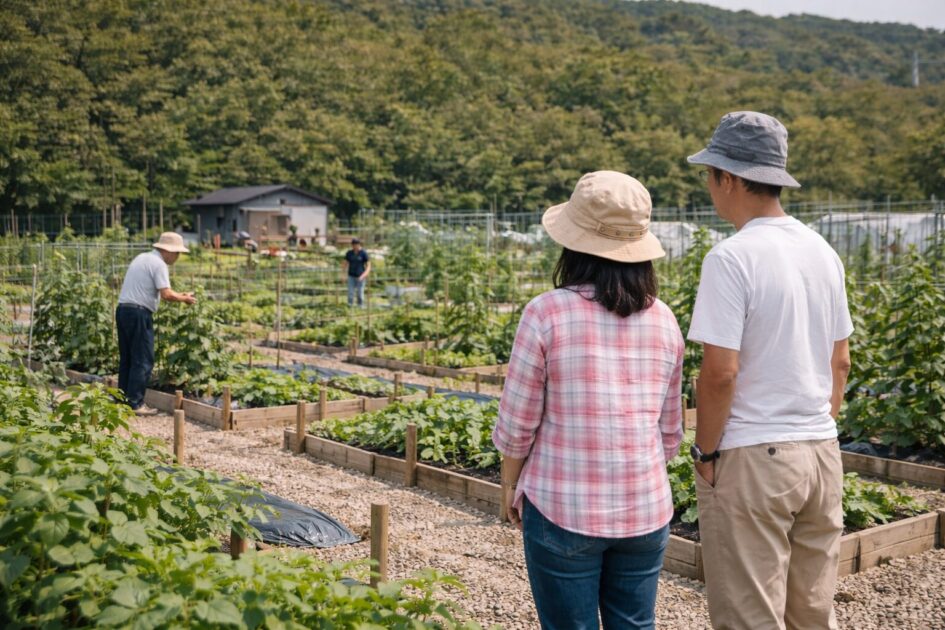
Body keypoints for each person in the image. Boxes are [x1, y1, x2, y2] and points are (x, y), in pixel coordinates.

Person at [492, 171, 684, 629]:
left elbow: (518, 425)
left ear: (573, 246)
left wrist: (509, 486)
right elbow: (670, 433)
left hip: (563, 507)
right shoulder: (664, 319)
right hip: (645, 509)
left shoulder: (546, 312)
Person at [686, 111, 853, 629]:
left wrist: (705, 453)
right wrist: (817, 427)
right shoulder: (823, 252)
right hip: (821, 454)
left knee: (749, 615)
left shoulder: (731, 258)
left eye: (710, 175)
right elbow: (841, 361)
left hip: (756, 455)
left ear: (728, 178)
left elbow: (720, 374)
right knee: (811, 612)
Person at [116, 232, 197, 416]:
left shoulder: (142, 258)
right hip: (139, 313)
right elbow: (166, 294)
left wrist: (180, 295)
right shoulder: (159, 264)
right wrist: (184, 299)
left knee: (127, 358)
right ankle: (135, 404)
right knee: (143, 359)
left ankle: (122, 400)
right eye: (177, 253)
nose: (178, 257)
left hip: (123, 310)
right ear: (168, 251)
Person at [342, 237, 370, 307]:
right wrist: (343, 274)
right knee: (350, 293)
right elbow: (345, 264)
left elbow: (368, 266)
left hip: (360, 277)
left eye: (356, 245)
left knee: (360, 293)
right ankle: (350, 306)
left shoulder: (363, 253)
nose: (354, 246)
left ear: (359, 244)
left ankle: (360, 306)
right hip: (351, 276)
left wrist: (363, 276)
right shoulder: (349, 253)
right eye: (353, 245)